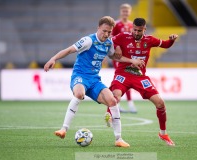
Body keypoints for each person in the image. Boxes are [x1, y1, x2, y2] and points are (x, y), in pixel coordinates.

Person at [44, 16, 144, 148]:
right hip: (80, 76)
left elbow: (114, 56)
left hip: (94, 80)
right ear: (98, 28)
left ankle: (118, 139)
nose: (106, 34)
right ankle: (63, 129)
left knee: (113, 101)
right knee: (79, 94)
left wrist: (132, 61)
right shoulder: (88, 41)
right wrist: (53, 59)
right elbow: (69, 50)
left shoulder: (108, 43)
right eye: (104, 31)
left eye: (109, 32)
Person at [105, 18, 178, 146]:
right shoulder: (123, 36)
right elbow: (107, 41)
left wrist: (171, 40)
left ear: (144, 29)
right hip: (123, 74)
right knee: (115, 96)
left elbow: (165, 44)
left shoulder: (149, 40)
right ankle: (108, 115)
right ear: (132, 27)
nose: (136, 33)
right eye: (134, 29)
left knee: (160, 103)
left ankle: (163, 133)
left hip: (140, 77)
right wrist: (116, 46)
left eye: (139, 30)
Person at [111, 3, 137, 113]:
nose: (125, 13)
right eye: (123, 11)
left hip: (129, 56)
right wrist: (117, 47)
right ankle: (118, 103)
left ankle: (128, 103)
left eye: (127, 11)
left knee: (128, 78)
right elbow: (111, 37)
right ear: (120, 12)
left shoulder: (132, 25)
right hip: (118, 57)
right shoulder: (116, 24)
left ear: (130, 12)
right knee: (120, 78)